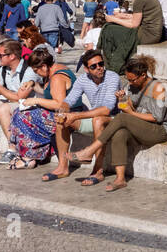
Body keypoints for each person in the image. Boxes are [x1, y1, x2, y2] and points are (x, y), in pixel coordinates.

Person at [75, 54, 167, 191]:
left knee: (121, 118)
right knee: (119, 133)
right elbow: (131, 109)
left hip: (159, 130)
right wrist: (123, 100)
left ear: (143, 75)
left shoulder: (158, 88)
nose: (130, 83)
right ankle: (120, 179)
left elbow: (158, 118)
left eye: (132, 80)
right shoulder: (133, 87)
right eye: (128, 79)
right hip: (140, 126)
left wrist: (130, 113)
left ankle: (90, 150)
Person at [44, 49, 120, 181]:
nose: (99, 68)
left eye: (101, 64)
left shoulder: (112, 77)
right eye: (94, 66)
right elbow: (69, 100)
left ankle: (98, 170)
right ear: (86, 69)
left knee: (98, 120)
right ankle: (63, 167)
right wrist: (63, 110)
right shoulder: (83, 80)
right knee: (62, 120)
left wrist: (77, 116)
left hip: (114, 119)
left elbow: (107, 109)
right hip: (95, 117)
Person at [6, 46, 76, 170]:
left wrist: (36, 100)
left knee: (22, 116)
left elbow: (60, 104)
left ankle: (29, 157)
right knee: (18, 111)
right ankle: (29, 154)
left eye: (35, 70)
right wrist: (33, 84)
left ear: (43, 66)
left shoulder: (57, 77)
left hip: (67, 116)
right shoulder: (54, 70)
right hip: (60, 113)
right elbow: (47, 92)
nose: (36, 73)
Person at [98, 0, 165, 75]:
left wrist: (113, 19)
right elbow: (137, 18)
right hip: (152, 33)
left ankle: (112, 63)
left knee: (108, 29)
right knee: (112, 27)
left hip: (148, 35)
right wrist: (122, 16)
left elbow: (134, 24)